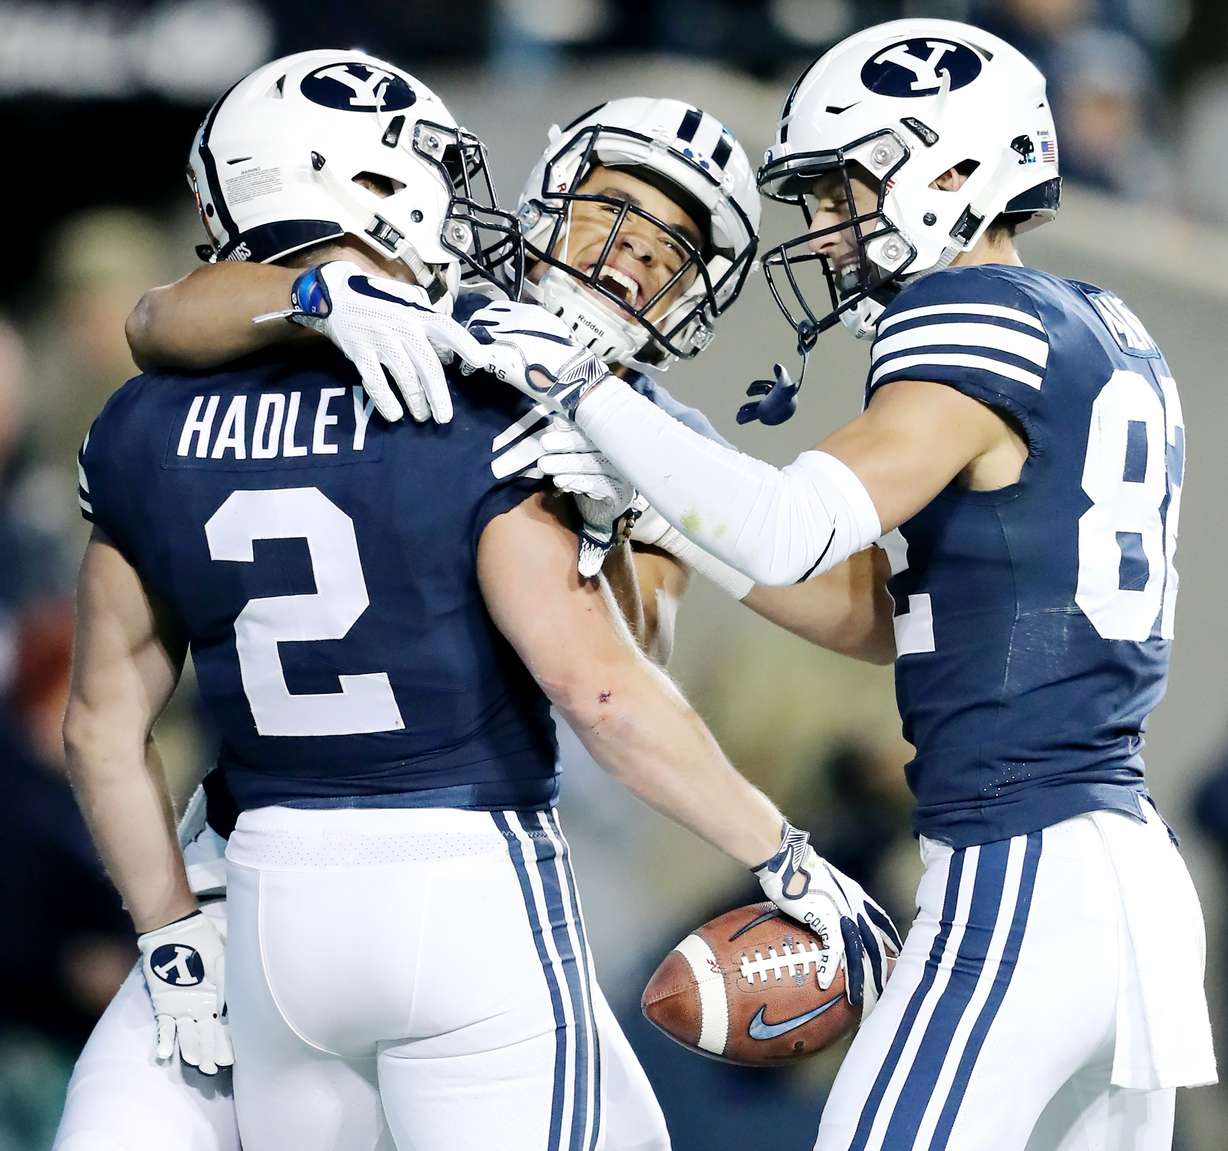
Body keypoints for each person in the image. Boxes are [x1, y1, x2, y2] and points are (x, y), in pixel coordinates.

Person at [61, 50, 896, 1151]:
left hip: (306, 872)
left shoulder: (648, 436)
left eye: (671, 248)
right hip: (343, 868)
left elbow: (645, 658)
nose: (630, 256)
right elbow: (166, 315)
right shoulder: (439, 321)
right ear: (545, 198)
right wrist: (319, 290)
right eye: (612, 211)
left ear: (699, 296)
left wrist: (615, 520)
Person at [455, 17, 1217, 1151]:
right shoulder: (1104, 327)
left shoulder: (975, 314)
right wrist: (660, 492)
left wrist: (587, 387)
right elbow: (879, 609)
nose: (823, 229)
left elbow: (787, 527)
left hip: (1022, 866)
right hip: (1121, 878)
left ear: (947, 170)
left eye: (842, 190)